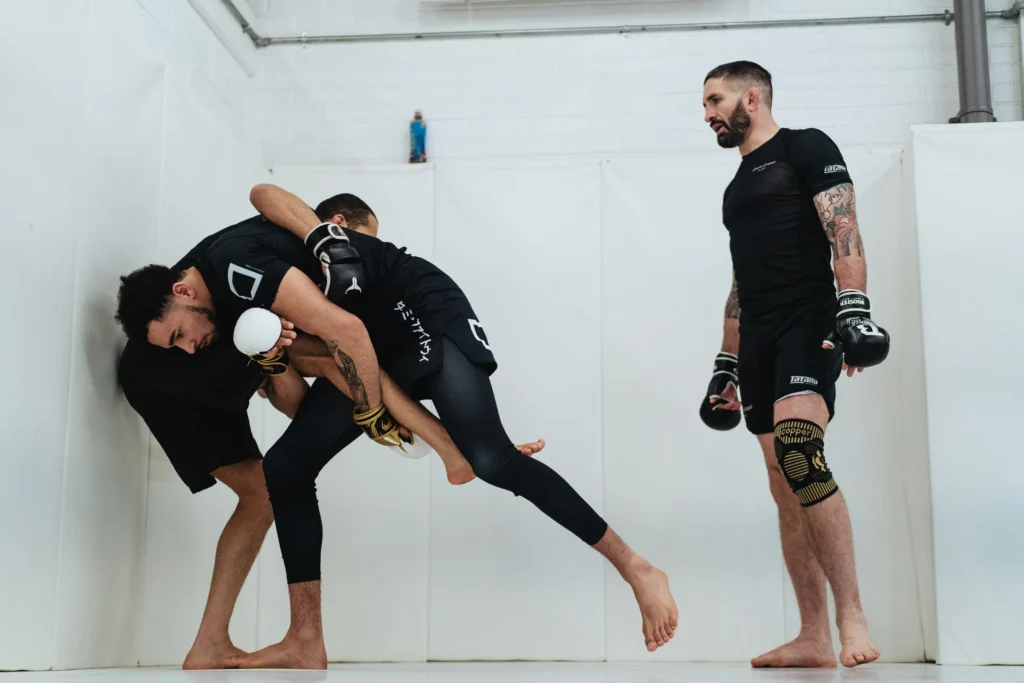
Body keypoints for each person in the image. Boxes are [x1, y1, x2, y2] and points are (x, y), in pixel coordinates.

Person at [116, 184, 679, 668]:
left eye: (179, 335)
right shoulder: (242, 315)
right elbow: (318, 384)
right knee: (286, 467)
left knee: (492, 461)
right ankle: (305, 639)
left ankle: (637, 568)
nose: (189, 349)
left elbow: (349, 343)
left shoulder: (239, 270)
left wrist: (387, 419)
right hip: (370, 339)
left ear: (184, 294)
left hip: (419, 308)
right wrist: (407, 429)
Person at [700, 61, 890, 669]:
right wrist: (725, 362)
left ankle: (850, 615)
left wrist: (853, 311)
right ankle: (812, 636)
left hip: (807, 324)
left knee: (801, 453)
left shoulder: (807, 148)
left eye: (714, 100)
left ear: (750, 98)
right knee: (784, 489)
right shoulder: (735, 188)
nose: (707, 114)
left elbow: (845, 230)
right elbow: (740, 279)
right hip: (756, 339)